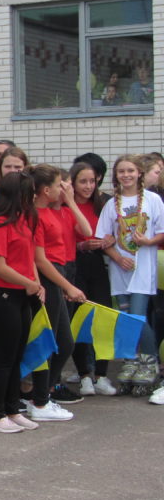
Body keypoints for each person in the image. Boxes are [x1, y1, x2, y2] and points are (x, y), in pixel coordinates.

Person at [0, 172, 43, 434]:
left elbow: (29, 259)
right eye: (30, 192)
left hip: (21, 295)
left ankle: (13, 409)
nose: (35, 196)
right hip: (1, 294)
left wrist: (35, 282)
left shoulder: (24, 221)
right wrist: (28, 282)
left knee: (17, 356)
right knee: (4, 358)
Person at [95, 154, 164, 396]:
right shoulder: (111, 204)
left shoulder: (153, 200)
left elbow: (162, 233)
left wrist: (148, 240)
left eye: (130, 171)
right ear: (116, 176)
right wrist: (117, 257)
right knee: (126, 317)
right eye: (121, 171)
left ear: (139, 174)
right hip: (120, 269)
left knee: (137, 316)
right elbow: (103, 238)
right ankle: (131, 360)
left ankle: (149, 361)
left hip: (143, 269)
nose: (126, 175)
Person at [29, 164, 89, 420]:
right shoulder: (35, 215)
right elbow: (40, 260)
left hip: (59, 275)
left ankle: (44, 394)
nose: (62, 189)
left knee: (64, 342)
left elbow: (87, 232)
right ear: (45, 190)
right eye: (57, 185)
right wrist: (68, 286)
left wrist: (70, 201)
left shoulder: (56, 212)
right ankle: (39, 400)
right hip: (48, 277)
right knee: (52, 341)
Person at [69, 161, 116, 396]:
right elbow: (62, 239)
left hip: (98, 265)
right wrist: (82, 244)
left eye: (92, 181)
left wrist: (110, 241)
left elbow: (117, 231)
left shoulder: (104, 203)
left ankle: (102, 375)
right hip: (76, 266)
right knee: (80, 320)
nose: (88, 186)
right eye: (83, 181)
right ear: (73, 183)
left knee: (103, 319)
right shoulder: (66, 206)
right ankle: (84, 375)